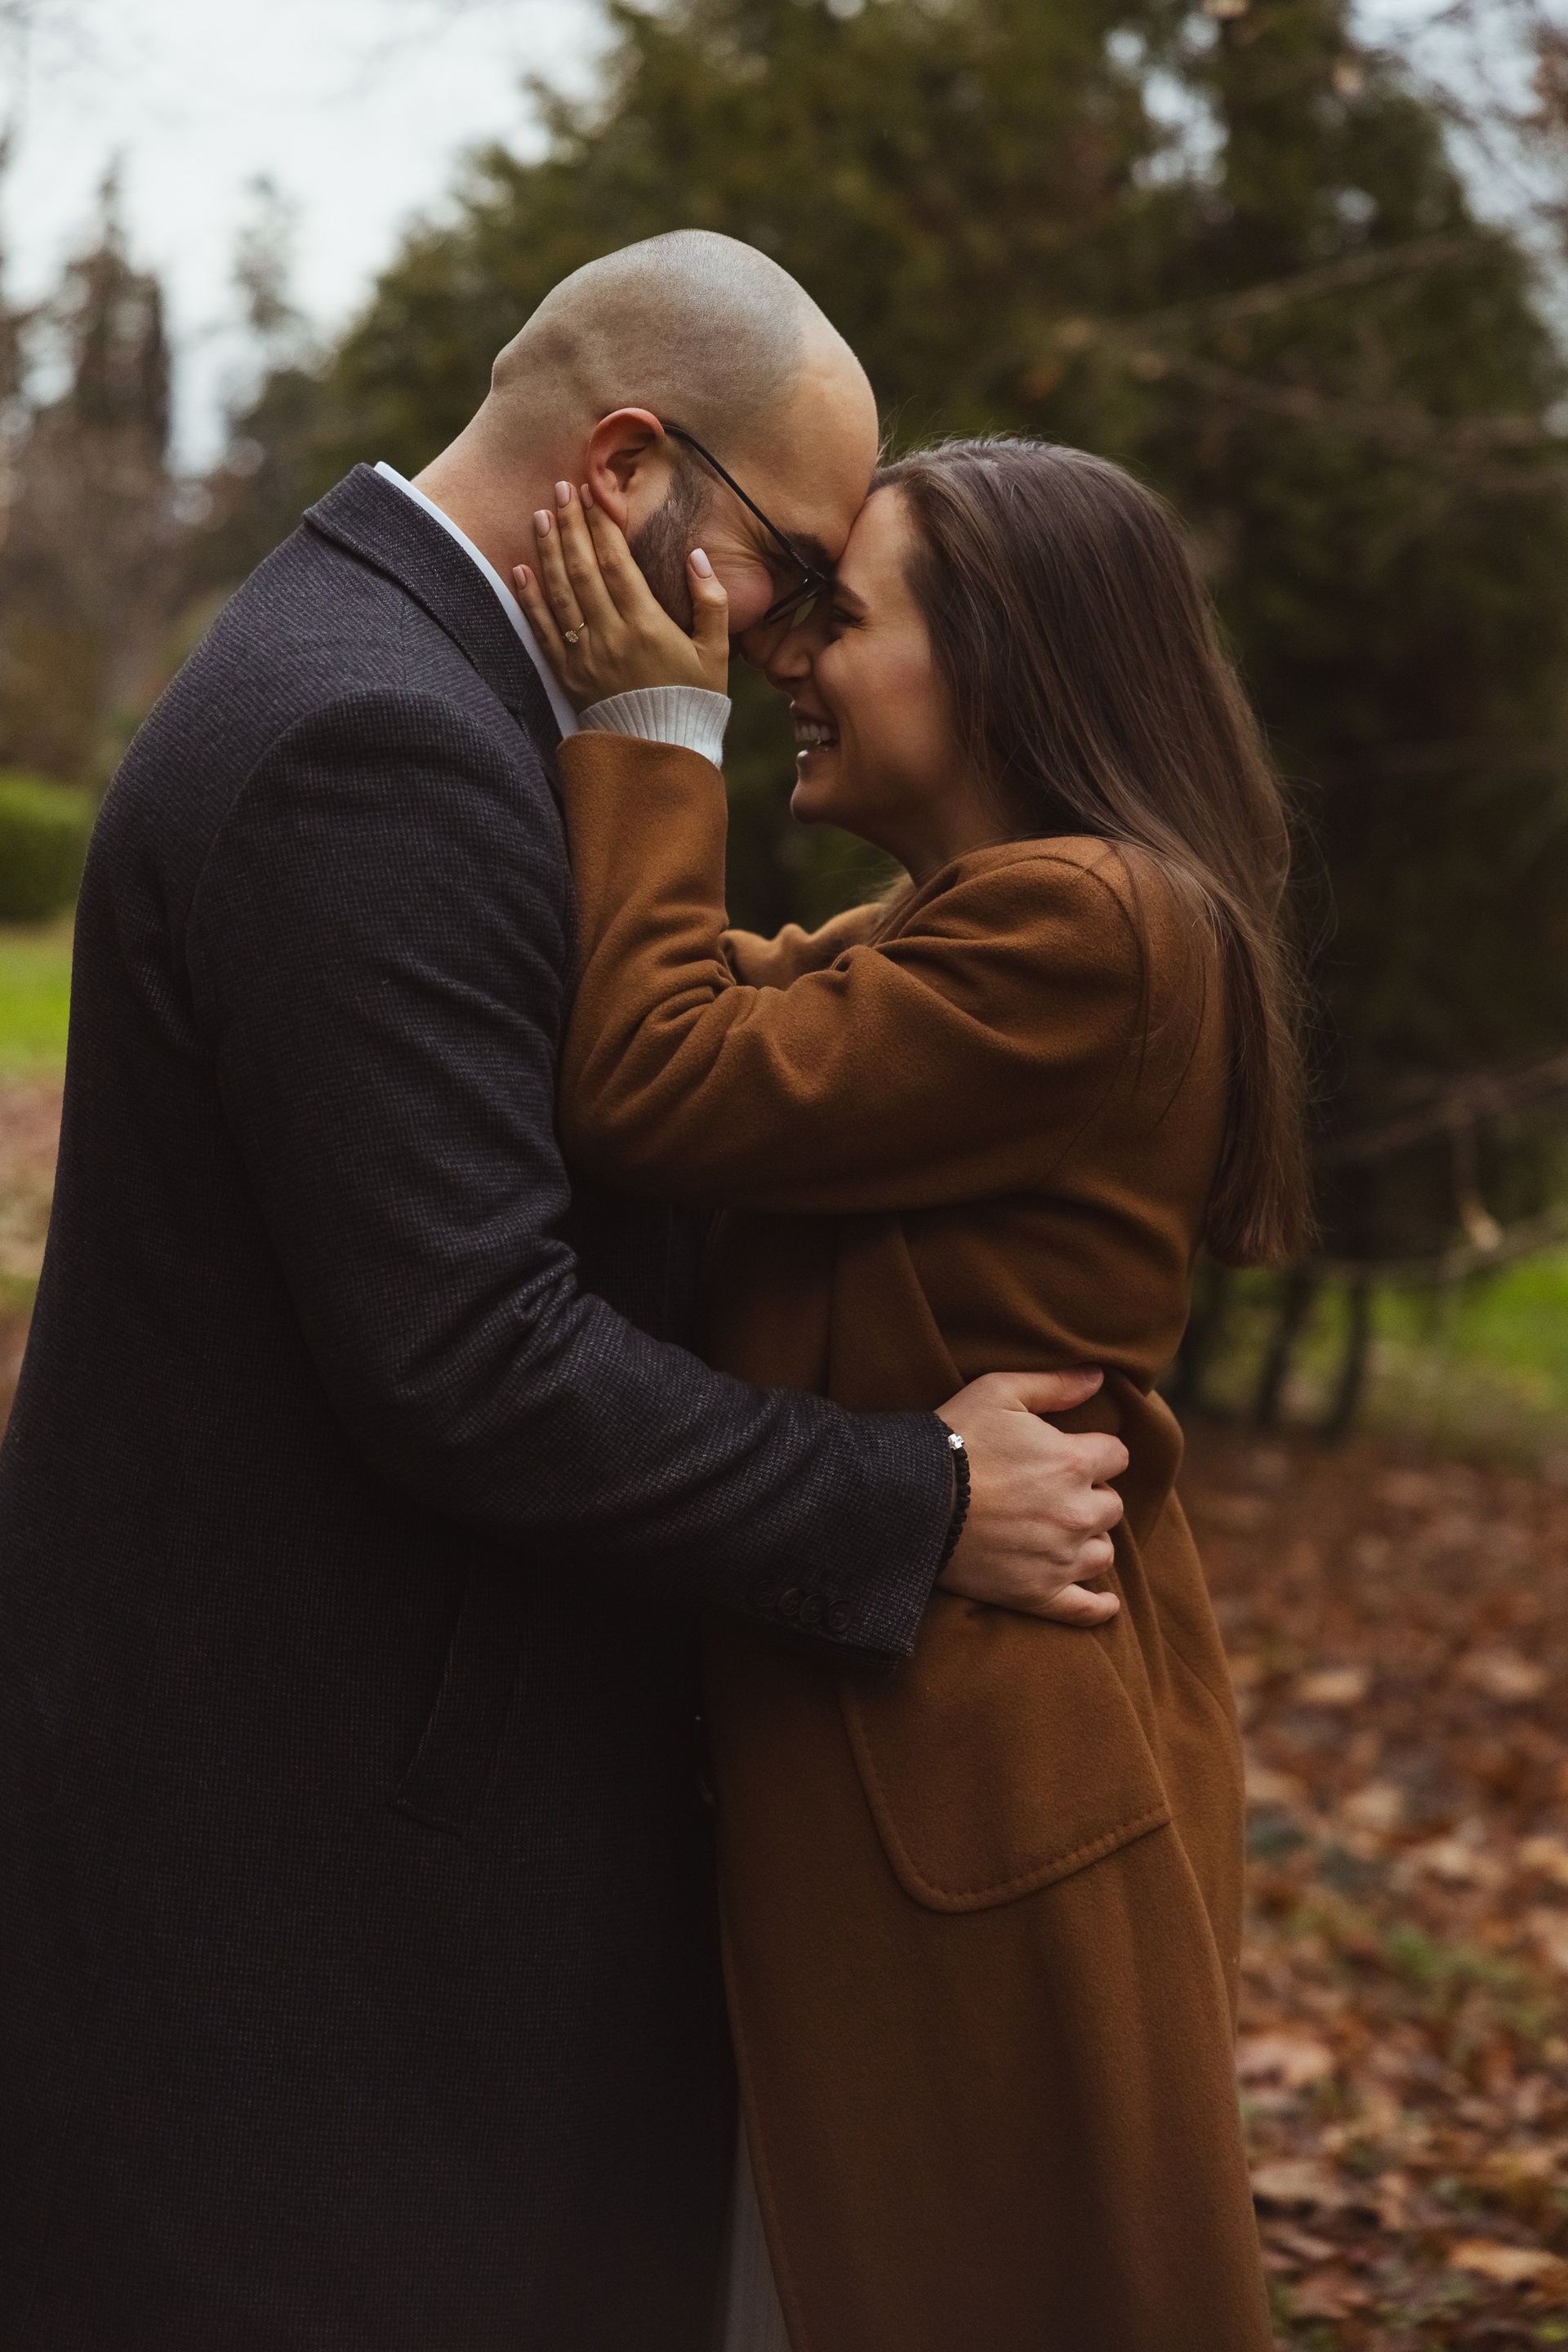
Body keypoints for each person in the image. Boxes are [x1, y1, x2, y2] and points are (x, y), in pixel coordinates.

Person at [0, 239, 1129, 2349]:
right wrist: (915, 1497)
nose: (793, 642)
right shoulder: (375, 741)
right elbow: (473, 1353)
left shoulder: (431, 690)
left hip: (352, 1832)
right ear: (622, 468)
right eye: (795, 569)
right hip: (314, 1870)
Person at [515, 431, 1314, 2350]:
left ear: (1005, 666)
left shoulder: (1093, 927)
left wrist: (650, 724)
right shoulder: (959, 921)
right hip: (916, 1744)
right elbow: (683, 998)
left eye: (844, 618)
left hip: (973, 1777)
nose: (788, 654)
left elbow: (656, 1079)